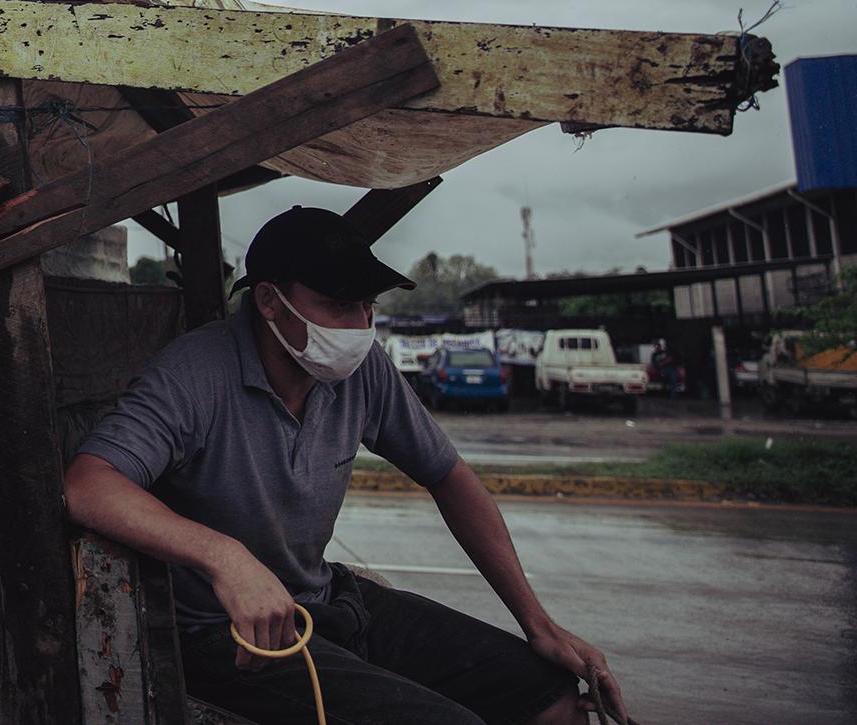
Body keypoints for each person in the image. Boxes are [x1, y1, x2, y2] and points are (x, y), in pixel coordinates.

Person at [66, 206, 629, 725]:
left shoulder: (363, 372)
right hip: (226, 638)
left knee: (549, 695)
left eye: (368, 306)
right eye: (338, 305)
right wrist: (225, 557)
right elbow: (89, 484)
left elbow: (449, 477)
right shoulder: (194, 373)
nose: (359, 325)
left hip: (327, 601)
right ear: (268, 301)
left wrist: (538, 623)